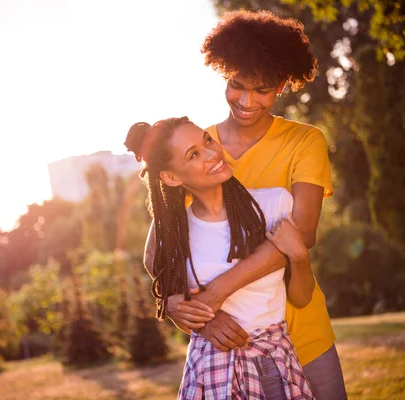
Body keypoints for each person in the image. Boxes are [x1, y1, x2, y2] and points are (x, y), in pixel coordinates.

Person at [157, 10, 348, 400]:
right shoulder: (198, 147)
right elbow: (161, 246)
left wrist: (216, 291)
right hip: (229, 346)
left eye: (261, 89)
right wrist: (190, 312)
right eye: (236, 84)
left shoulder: (305, 141)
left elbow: (302, 233)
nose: (245, 101)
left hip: (302, 330)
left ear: (282, 85)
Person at [125, 117, 315, 399]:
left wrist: (299, 257)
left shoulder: (275, 203)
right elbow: (159, 273)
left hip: (272, 365)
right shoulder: (177, 235)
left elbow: (301, 298)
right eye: (194, 154)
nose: (212, 153)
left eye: (207, 140)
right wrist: (197, 316)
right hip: (209, 370)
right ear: (172, 177)